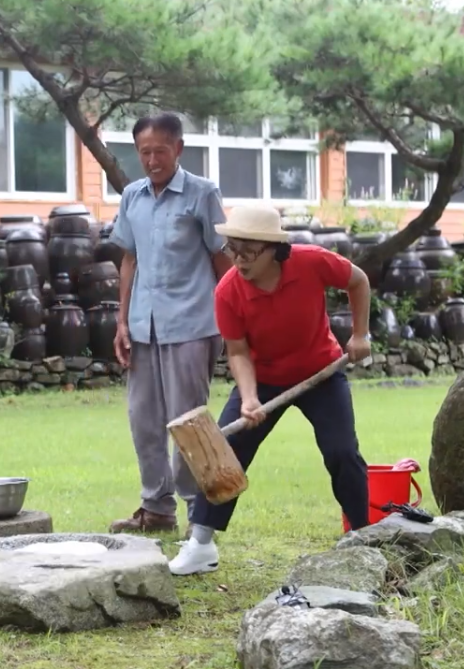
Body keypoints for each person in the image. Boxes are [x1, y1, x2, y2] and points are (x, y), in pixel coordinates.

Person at [168, 204, 373, 576]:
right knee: (227, 451)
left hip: (321, 372)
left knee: (342, 451)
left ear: (274, 249)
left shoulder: (312, 262)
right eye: (232, 249)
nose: (238, 259)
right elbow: (238, 351)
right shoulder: (228, 292)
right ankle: (201, 543)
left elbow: (357, 280)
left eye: (248, 251)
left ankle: (363, 536)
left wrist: (360, 334)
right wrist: (248, 397)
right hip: (263, 379)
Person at [107, 112, 233, 536]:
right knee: (143, 419)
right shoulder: (132, 197)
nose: (152, 159)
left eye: (161, 150)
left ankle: (200, 512)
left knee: (188, 421)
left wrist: (236, 324)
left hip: (192, 324)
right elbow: (129, 259)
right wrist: (122, 321)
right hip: (144, 326)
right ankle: (155, 508)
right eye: (145, 152)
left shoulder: (202, 193)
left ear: (178, 148)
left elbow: (223, 260)